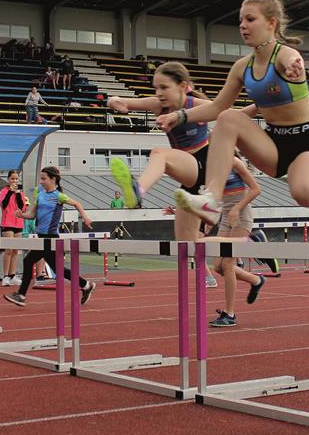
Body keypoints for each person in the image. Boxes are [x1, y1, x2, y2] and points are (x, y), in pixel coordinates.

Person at [158, 0, 309, 231]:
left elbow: (293, 58)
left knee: (304, 195)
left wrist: (294, 66)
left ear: (271, 23)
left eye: (250, 19)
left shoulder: (283, 55)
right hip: (271, 143)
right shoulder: (242, 66)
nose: (242, 26)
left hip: (303, 142)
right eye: (240, 20)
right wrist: (180, 116)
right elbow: (217, 107)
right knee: (227, 117)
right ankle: (210, 199)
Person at [107, 62, 265, 288]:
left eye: (164, 87)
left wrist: (259, 105)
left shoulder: (196, 105)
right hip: (188, 179)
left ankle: (137, 190)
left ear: (183, 86)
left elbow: (233, 114)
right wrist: (114, 102)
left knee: (159, 154)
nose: (159, 93)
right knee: (187, 245)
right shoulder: (157, 105)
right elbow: (125, 102)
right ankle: (248, 245)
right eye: (155, 88)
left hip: (204, 165)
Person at [3, 166, 96, 307]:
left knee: (29, 261)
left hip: (51, 238)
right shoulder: (40, 195)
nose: (41, 182)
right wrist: (22, 215)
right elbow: (32, 214)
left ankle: (21, 295)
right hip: (41, 237)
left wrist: (85, 217)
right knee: (58, 269)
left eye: (43, 178)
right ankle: (86, 285)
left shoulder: (58, 196)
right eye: (40, 178)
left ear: (53, 179)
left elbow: (77, 203)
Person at [205, 156, 270, 328]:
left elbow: (256, 189)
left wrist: (236, 208)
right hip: (226, 218)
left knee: (227, 264)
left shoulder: (233, 162)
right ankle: (256, 280)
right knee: (218, 267)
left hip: (241, 217)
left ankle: (230, 314)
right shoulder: (212, 166)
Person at [0, 170, 26, 286]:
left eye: (16, 179)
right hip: (8, 223)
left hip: (18, 223)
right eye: (12, 178)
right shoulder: (4, 191)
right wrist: (10, 192)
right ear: (8, 179)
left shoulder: (20, 193)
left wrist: (17, 193)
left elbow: (22, 207)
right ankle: (5, 276)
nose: (14, 181)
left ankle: (13, 274)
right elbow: (3, 205)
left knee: (15, 250)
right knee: (9, 250)